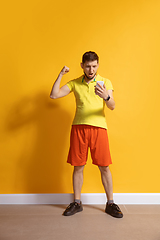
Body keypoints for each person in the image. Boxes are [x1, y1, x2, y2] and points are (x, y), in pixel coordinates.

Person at [50, 51, 123, 218]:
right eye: (88, 66)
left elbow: (112, 106)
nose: (91, 70)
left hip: (99, 129)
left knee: (104, 166)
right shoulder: (75, 83)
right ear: (82, 65)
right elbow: (54, 95)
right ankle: (77, 202)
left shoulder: (105, 82)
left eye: (94, 66)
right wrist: (61, 74)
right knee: (78, 166)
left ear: (98, 65)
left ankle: (110, 203)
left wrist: (106, 96)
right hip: (79, 128)